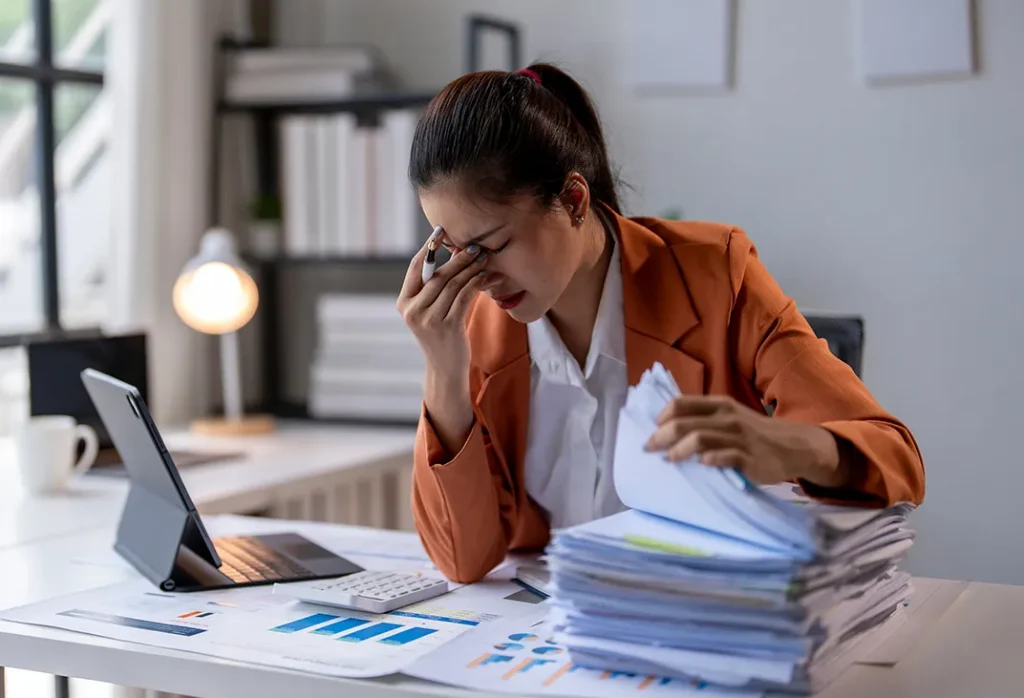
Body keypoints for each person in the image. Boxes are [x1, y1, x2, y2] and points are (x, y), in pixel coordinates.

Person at [397, 63, 925, 583]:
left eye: (492, 246)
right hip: (558, 633)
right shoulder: (478, 330)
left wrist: (786, 445)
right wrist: (444, 371)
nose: (478, 278)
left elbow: (895, 458)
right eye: (457, 252)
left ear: (574, 200)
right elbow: (463, 561)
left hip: (706, 619)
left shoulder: (716, 275)